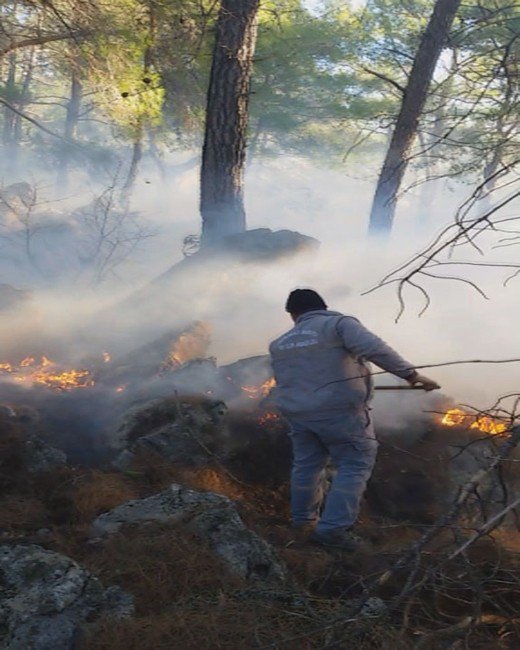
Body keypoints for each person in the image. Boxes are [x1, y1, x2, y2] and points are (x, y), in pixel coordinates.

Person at [269, 289, 440, 550]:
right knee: (354, 464)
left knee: (307, 467)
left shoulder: (279, 343)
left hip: (299, 415)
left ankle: (303, 522)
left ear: (292, 314)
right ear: (323, 306)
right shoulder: (339, 325)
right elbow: (374, 349)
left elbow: (288, 381)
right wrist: (411, 376)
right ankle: (332, 531)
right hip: (340, 413)